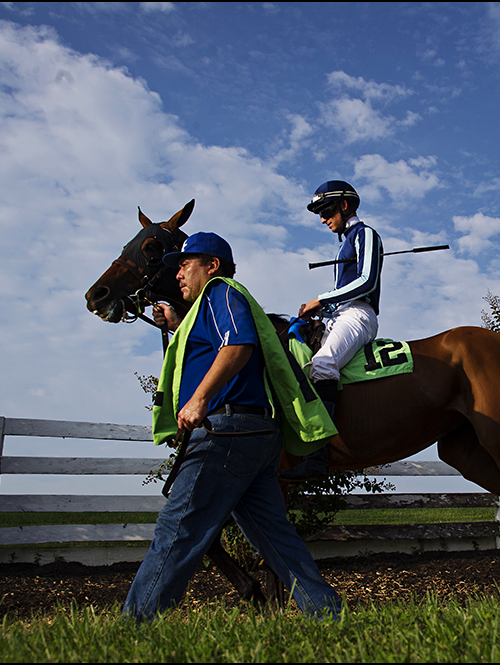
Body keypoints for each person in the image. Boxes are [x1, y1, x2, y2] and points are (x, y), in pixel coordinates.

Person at [122, 231, 341, 623]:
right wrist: (176, 324)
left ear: (212, 265)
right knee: (275, 537)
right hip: (253, 435)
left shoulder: (222, 292)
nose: (177, 275)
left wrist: (199, 398)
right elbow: (212, 346)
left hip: (226, 431)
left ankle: (136, 624)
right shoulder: (211, 306)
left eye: (184, 265)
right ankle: (327, 614)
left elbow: (237, 346)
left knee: (178, 529)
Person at [281, 180, 384, 481]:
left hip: (359, 315)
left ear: (343, 205)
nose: (323, 219)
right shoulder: (344, 242)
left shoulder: (365, 234)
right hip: (339, 316)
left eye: (326, 211)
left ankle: (317, 457)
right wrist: (320, 309)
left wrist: (321, 298)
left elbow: (367, 282)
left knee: (323, 363)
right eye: (320, 214)